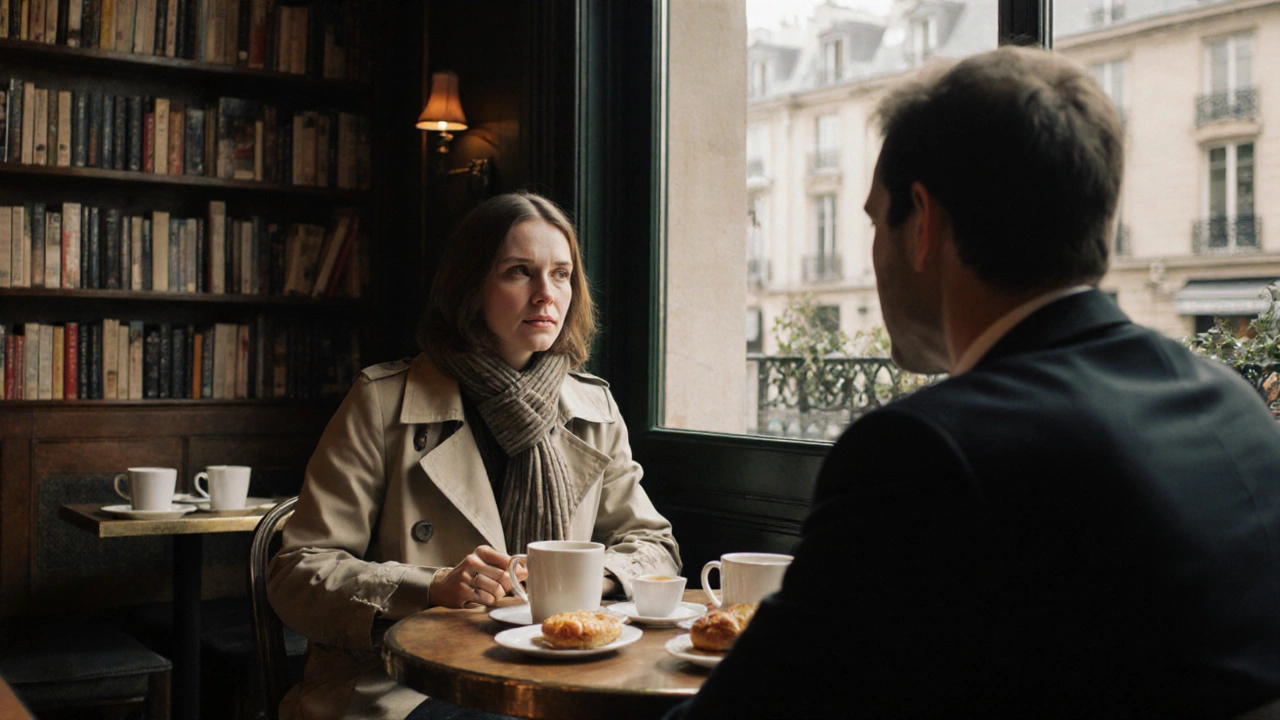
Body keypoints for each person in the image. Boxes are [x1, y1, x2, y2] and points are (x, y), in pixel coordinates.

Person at [666, 46, 1280, 719]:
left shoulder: (926, 451)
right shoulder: (1235, 405)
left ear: (923, 223)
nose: (873, 248)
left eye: (876, 220)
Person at [268, 191, 681, 720]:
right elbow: (298, 572)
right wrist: (431, 587)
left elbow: (654, 546)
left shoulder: (593, 406)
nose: (545, 294)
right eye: (518, 272)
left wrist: (584, 575)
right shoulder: (382, 400)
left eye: (561, 274)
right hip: (401, 680)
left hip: (559, 666)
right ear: (470, 287)